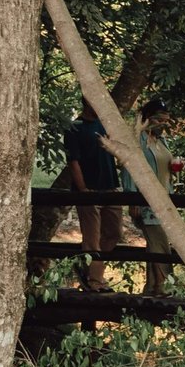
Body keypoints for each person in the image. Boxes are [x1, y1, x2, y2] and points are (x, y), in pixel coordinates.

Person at [119, 99, 178, 294]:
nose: (162, 124)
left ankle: (152, 286)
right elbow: (129, 168)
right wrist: (132, 197)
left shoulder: (161, 140)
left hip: (165, 198)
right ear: (148, 118)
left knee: (155, 244)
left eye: (165, 121)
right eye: (159, 119)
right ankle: (163, 285)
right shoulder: (138, 140)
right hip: (145, 200)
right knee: (159, 241)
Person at [64, 99, 120, 291]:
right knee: (92, 238)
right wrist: (83, 189)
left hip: (110, 187)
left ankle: (88, 271)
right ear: (87, 103)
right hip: (89, 190)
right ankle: (95, 282)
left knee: (113, 233)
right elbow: (73, 161)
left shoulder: (105, 124)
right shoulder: (74, 128)